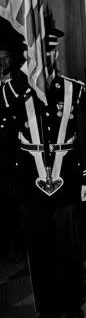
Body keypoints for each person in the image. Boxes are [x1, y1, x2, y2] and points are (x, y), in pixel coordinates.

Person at [14, 16, 86, 318]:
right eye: (38, 52)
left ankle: (72, 302)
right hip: (29, 186)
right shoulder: (14, 94)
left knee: (69, 247)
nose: (46, 58)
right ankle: (46, 308)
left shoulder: (75, 90)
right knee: (40, 251)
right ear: (27, 55)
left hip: (68, 183)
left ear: (56, 54)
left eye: (50, 51)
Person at [0, 20, 25, 260]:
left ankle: (19, 245)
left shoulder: (20, 83)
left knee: (18, 200)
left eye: (5, 58)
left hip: (17, 152)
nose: (2, 63)